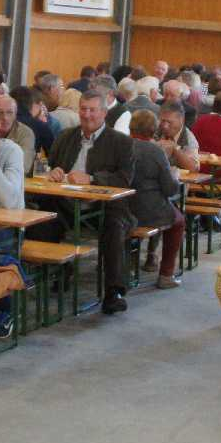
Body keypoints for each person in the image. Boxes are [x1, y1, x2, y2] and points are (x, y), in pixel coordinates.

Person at [45, 90, 136, 313]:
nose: (87, 115)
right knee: (42, 217)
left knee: (114, 227)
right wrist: (53, 172)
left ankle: (113, 291)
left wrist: (92, 179)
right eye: (83, 109)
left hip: (104, 205)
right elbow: (51, 164)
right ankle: (58, 269)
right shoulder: (65, 136)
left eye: (92, 110)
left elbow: (124, 178)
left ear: (104, 113)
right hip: (66, 203)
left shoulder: (121, 142)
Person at [125, 109, 184, 289]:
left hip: (123, 207)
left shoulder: (120, 146)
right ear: (153, 130)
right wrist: (175, 176)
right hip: (148, 211)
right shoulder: (155, 151)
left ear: (131, 127)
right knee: (178, 220)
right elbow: (170, 189)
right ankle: (166, 274)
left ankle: (132, 265)